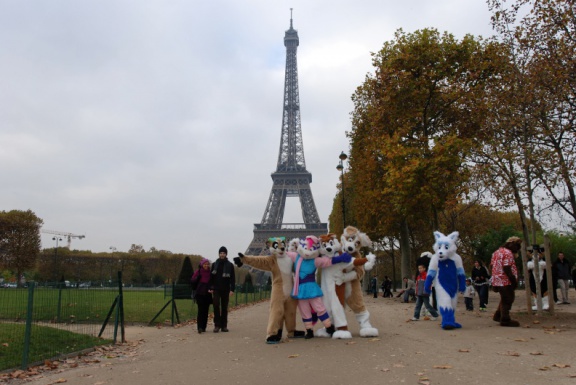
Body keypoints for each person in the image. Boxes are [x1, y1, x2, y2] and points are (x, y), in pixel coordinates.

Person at [490, 236, 522, 327]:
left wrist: (494, 279)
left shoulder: (496, 252)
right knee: (508, 298)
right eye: (516, 246)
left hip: (497, 279)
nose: (517, 248)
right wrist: (513, 281)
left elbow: (491, 266)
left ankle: (498, 315)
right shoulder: (508, 253)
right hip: (505, 280)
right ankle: (505, 319)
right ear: (511, 244)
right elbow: (507, 268)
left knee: (504, 297)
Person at [209, 246, 235, 333]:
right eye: (221, 253)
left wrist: (232, 289)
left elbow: (232, 278)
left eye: (223, 253)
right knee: (216, 305)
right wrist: (211, 287)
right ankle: (217, 324)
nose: (222, 254)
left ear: (226, 254)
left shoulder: (230, 265)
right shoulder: (214, 265)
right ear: (219, 254)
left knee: (224, 307)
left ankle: (224, 325)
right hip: (216, 288)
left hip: (225, 289)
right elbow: (211, 277)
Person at [191, 258, 212, 333]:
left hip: (207, 294)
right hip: (199, 293)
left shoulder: (210, 273)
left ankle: (204, 327)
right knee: (200, 310)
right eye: (205, 264)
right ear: (202, 265)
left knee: (206, 311)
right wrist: (197, 278)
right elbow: (192, 280)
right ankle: (199, 327)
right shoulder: (198, 272)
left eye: (207, 264)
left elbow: (212, 282)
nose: (206, 265)